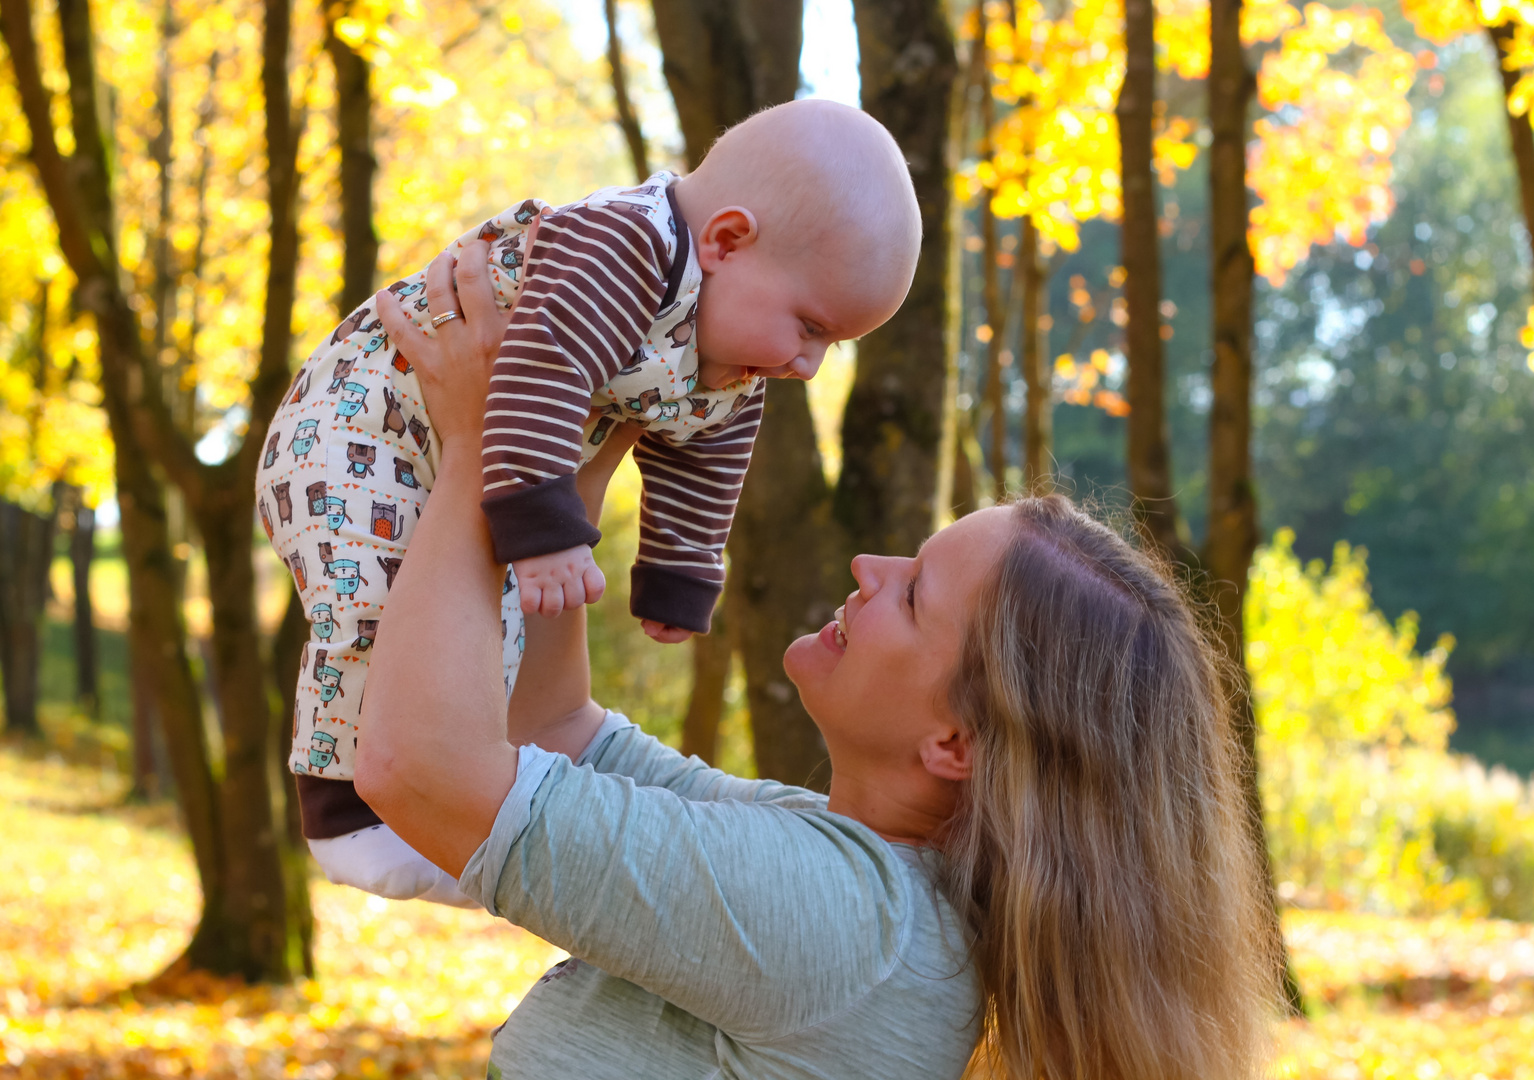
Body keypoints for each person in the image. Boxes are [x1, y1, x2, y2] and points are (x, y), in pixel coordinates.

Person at [352, 242, 1278, 1079]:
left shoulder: (845, 927)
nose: (868, 569)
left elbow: (420, 771)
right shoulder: (855, 876)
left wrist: (482, 445)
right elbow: (554, 733)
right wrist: (564, 478)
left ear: (956, 741)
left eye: (913, 595)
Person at [254, 99, 920, 904]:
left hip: (469, 450)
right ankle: (339, 810)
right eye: (810, 327)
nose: (809, 364)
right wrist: (545, 532)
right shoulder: (619, 246)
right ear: (727, 240)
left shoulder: (732, 359)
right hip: (360, 429)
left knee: (480, 626)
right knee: (376, 600)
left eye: (831, 345)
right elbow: (538, 370)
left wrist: (678, 573)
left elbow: (704, 457)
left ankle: (446, 797)